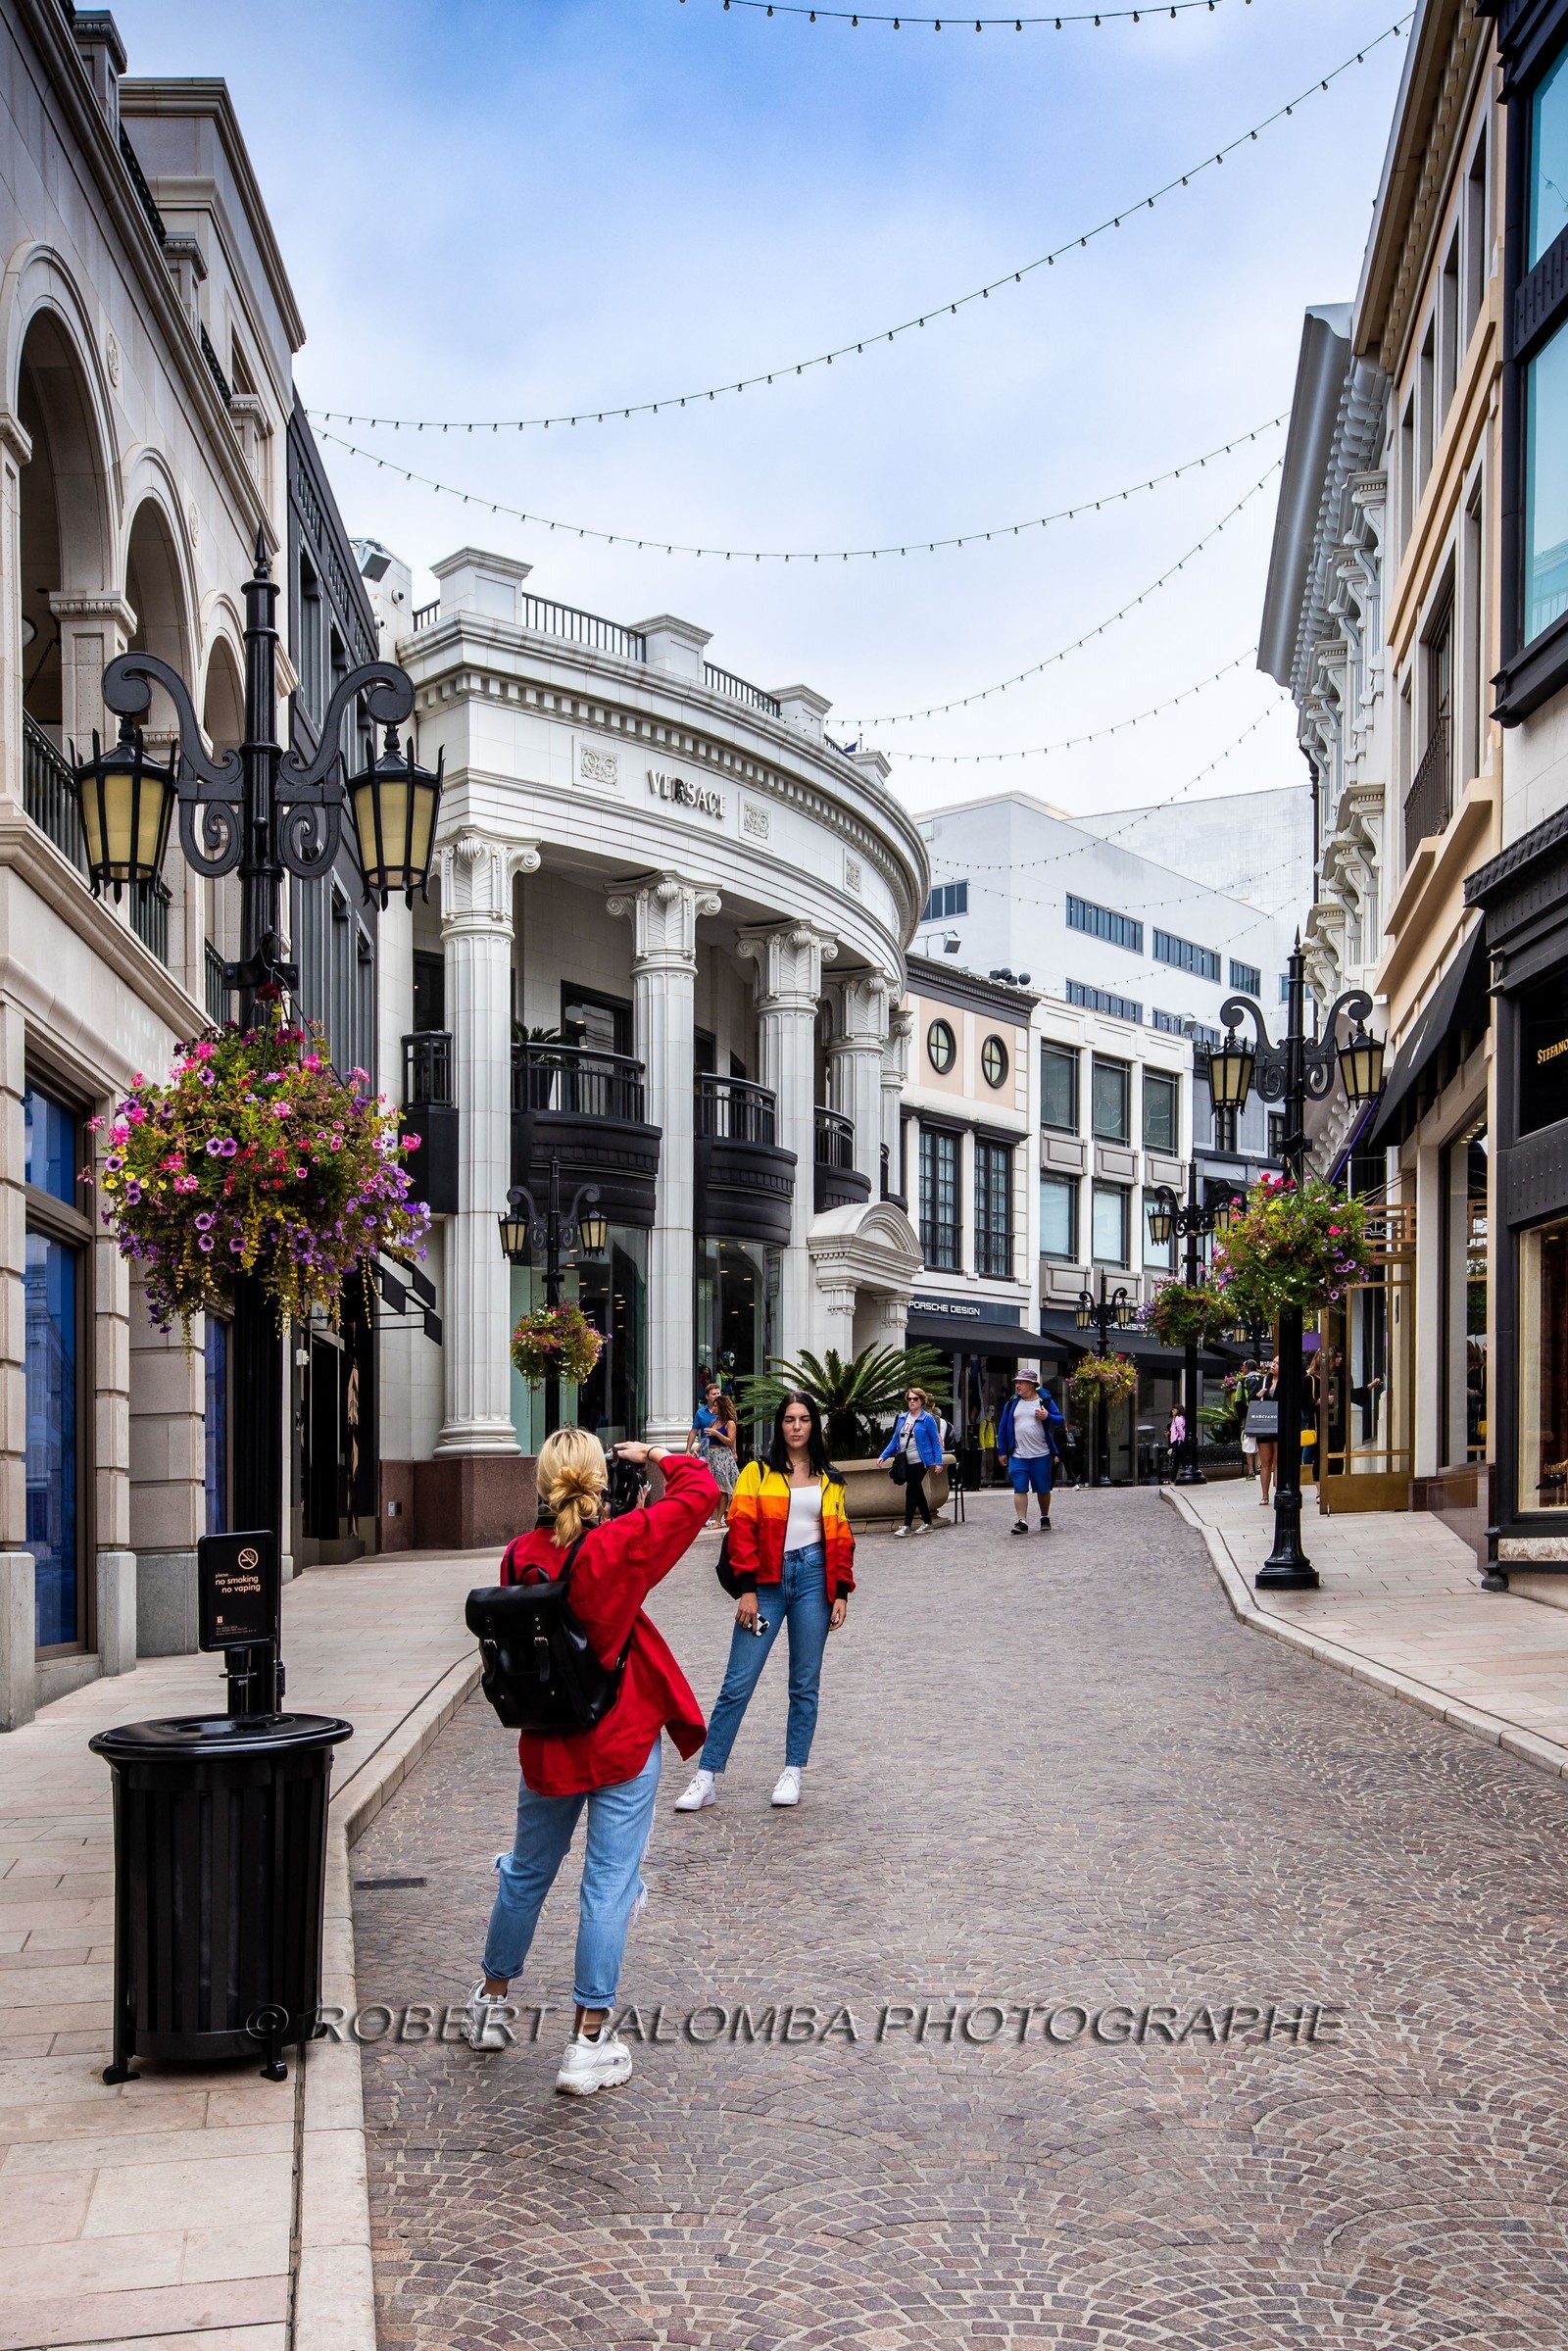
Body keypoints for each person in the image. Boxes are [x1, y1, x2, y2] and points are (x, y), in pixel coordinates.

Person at [463, 1429, 715, 2094]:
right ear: (599, 1481)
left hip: (549, 1738)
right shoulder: (619, 1544)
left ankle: (489, 2006)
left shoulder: (518, 1555)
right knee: (607, 1886)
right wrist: (656, 1456)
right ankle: (587, 2043)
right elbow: (700, 1492)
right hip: (620, 1735)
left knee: (525, 1873)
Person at [673, 1393, 854, 1813]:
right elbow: (740, 1531)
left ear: (814, 1425)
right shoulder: (757, 1472)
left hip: (814, 1583)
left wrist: (841, 1591)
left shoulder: (831, 1478)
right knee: (738, 1682)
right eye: (789, 1419)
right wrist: (748, 1590)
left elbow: (842, 1537)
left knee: (804, 1683)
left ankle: (793, 1770)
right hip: (766, 1587)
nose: (797, 1427)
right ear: (780, 1424)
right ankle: (706, 1776)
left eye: (804, 1419)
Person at [997, 1367, 1064, 1534]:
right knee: (1019, 1488)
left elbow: (1060, 1420)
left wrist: (1047, 1416)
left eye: (1021, 1382)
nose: (1017, 1386)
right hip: (1017, 1454)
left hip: (1041, 1454)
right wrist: (1002, 1451)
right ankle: (1022, 1521)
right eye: (1017, 1382)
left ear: (1032, 1385)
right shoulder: (1012, 1402)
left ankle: (1044, 1516)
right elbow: (1003, 1427)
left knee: (1043, 1489)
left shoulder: (1045, 1401)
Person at [879, 1386, 944, 1536]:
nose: (912, 1401)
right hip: (905, 1461)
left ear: (922, 1401)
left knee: (911, 1490)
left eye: (915, 1399)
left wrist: (938, 1462)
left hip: (920, 1461)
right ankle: (928, 1523)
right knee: (917, 1491)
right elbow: (895, 1440)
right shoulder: (902, 1417)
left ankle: (907, 1526)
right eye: (909, 1399)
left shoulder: (927, 1419)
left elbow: (935, 1441)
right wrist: (884, 1455)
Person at [1255, 1357, 1281, 1506]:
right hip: (1264, 1424)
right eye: (1273, 1362)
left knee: (1278, 1461)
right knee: (1265, 1462)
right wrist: (1258, 1394)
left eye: (1277, 1363)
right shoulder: (1264, 1381)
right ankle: (1265, 1495)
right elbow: (1251, 1400)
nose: (1273, 1365)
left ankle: (1279, 1492)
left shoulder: (1286, 1382)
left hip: (1279, 1424)